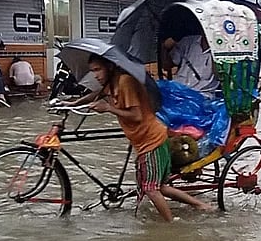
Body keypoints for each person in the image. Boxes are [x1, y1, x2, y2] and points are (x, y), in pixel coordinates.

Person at [65, 54, 213, 221]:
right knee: (159, 187)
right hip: (145, 142)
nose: (96, 75)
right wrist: (72, 104)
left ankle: (171, 226)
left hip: (151, 141)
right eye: (93, 71)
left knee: (151, 189)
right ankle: (200, 205)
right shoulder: (111, 85)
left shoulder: (125, 82)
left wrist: (108, 108)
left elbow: (136, 115)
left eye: (98, 70)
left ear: (110, 67)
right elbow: (96, 94)